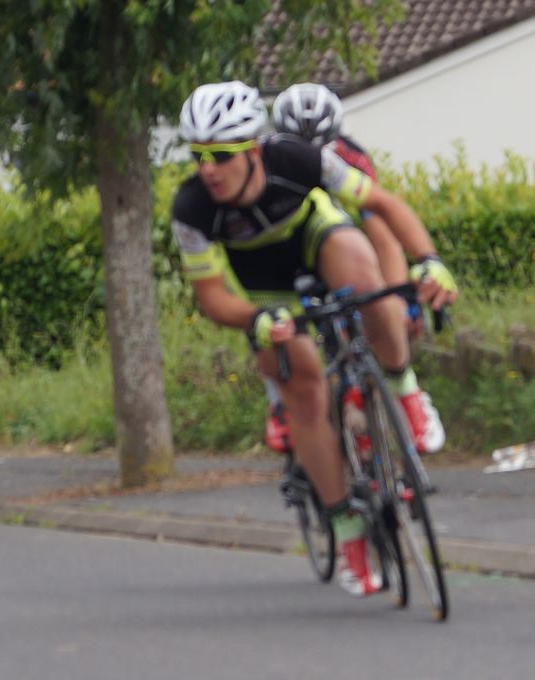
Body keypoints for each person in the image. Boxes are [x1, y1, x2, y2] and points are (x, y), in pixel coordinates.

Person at [171, 81, 458, 596]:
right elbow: (211, 296)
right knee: (302, 390)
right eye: (199, 155)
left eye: (221, 154)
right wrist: (255, 322)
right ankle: (347, 530)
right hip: (268, 293)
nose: (208, 167)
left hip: (319, 244)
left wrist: (430, 262)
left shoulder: (298, 160)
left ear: (253, 149)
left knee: (369, 282)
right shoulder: (192, 208)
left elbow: (384, 208)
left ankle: (405, 390)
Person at [264, 82, 445, 456]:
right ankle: (281, 405)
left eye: (321, 147)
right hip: (288, 254)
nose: (310, 157)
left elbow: (382, 236)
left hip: (341, 247)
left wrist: (399, 299)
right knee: (271, 325)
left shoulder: (349, 158)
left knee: (378, 310)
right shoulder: (265, 166)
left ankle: (397, 396)